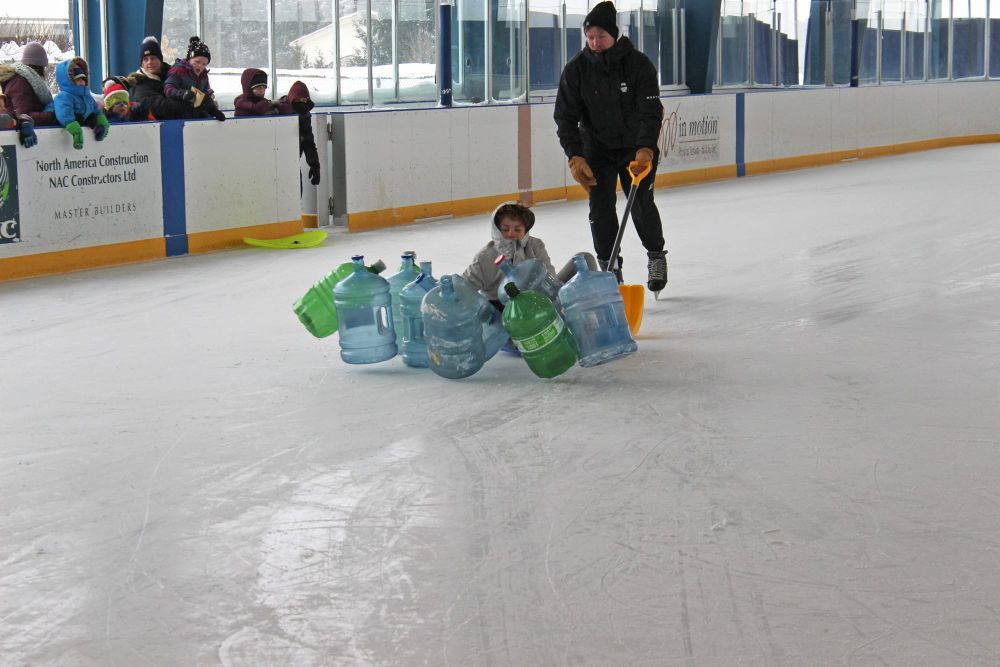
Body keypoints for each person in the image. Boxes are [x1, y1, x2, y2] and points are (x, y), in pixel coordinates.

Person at [553, 0, 668, 293]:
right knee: (600, 209)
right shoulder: (576, 69)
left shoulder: (638, 64)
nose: (595, 43)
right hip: (597, 149)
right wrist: (575, 155)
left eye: (601, 36)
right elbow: (565, 117)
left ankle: (656, 255)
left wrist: (645, 150)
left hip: (634, 149)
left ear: (614, 34)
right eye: (590, 37)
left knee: (641, 203)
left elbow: (650, 112)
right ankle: (609, 267)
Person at [462, 201, 597, 306]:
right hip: (506, 312)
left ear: (525, 229)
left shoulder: (535, 245)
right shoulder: (485, 256)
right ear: (497, 229)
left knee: (585, 258)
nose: (511, 233)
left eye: (517, 229)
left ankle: (587, 311)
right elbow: (464, 289)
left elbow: (550, 275)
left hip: (541, 299)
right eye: (505, 229)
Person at [127, 36, 199, 120]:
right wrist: (191, 103)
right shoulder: (139, 84)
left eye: (153, 58)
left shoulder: (174, 74)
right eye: (146, 59)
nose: (150, 62)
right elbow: (161, 106)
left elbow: (191, 88)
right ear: (142, 64)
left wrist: (206, 101)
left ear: (160, 59)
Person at [0, 41, 58, 144]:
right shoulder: (20, 83)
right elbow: (24, 115)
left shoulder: (27, 81)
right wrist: (53, 116)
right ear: (41, 67)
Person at [48, 57, 109, 150]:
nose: (81, 82)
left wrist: (102, 122)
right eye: (77, 79)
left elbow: (96, 110)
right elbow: (64, 114)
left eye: (83, 79)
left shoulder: (87, 96)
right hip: (55, 128)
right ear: (69, 80)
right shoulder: (64, 96)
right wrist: (75, 131)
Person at [164, 36, 226, 121]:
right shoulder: (178, 71)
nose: (200, 66)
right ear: (189, 59)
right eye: (197, 62)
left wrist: (213, 110)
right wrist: (182, 94)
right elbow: (168, 89)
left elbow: (205, 97)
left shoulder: (203, 76)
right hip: (178, 115)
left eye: (204, 64)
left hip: (196, 116)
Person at [277, 81, 320, 186]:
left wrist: (314, 165)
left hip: (294, 163)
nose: (302, 102)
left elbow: (308, 142)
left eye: (305, 100)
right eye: (299, 99)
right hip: (277, 162)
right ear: (292, 98)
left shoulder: (305, 115)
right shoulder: (278, 111)